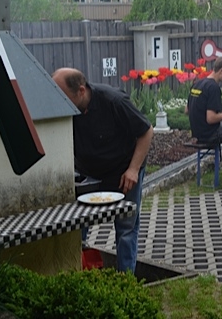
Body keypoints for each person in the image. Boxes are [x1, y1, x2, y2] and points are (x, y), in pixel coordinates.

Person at [52, 68, 153, 273]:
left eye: (62, 96)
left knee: (126, 228)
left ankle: (125, 280)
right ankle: (77, 273)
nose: (58, 101)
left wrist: (133, 169)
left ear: (81, 91)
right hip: (89, 175)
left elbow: (146, 131)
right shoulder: (65, 109)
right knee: (77, 227)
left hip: (124, 171)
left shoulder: (113, 101)